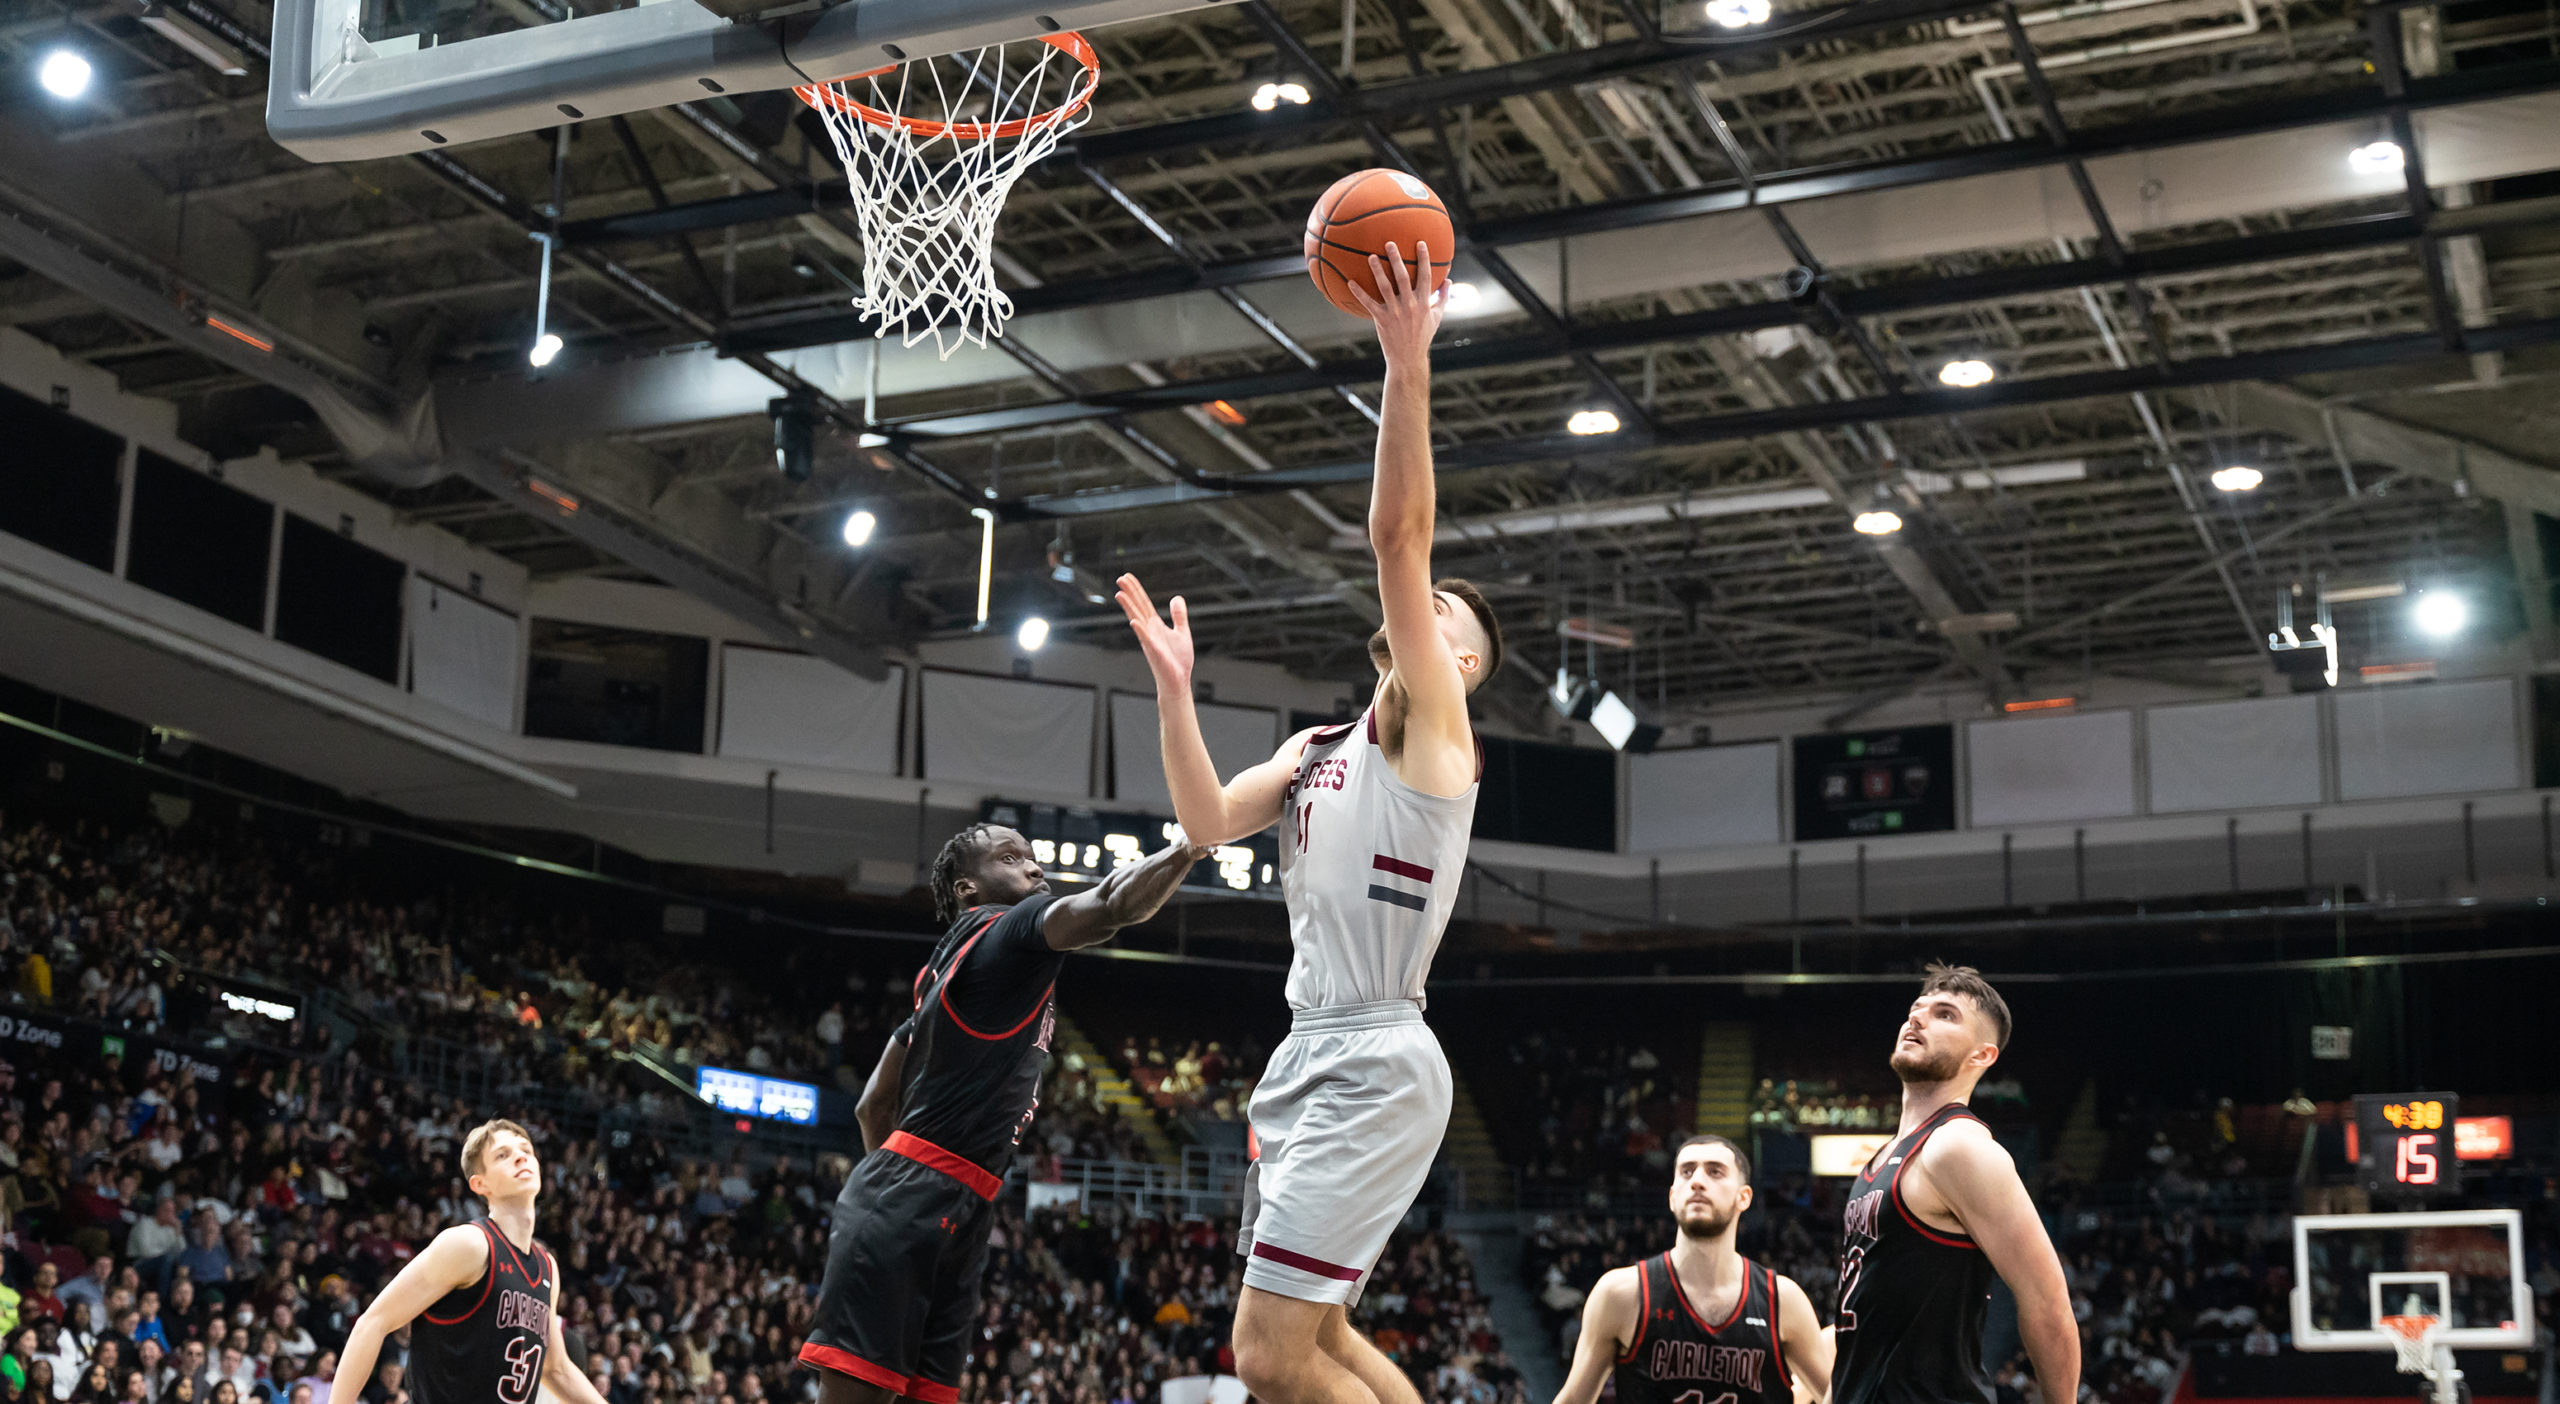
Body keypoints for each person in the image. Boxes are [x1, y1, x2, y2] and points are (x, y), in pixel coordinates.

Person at [1114, 239, 1504, 1404]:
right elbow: (1198, 822)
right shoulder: (1313, 749)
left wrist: (1405, 363)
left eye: (1444, 617)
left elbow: (1397, 540)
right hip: (1307, 1050)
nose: (1420, 611)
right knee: (1319, 1342)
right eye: (1421, 609)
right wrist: (1175, 698)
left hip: (1379, 1054)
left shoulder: (1437, 731)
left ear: (1463, 667)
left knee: (1265, 1358)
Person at [796, 822, 1208, 1404]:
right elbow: (1113, 905)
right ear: (970, 888)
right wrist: (1191, 845)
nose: (1034, 868)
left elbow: (872, 1106)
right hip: (927, 1193)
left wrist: (904, 1198)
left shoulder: (942, 970)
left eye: (1034, 858)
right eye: (1012, 858)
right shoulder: (1008, 929)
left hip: (947, 1201)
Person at [1833, 965, 2077, 1404]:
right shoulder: (1883, 1156)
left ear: (1982, 1056)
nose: (1917, 1018)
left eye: (1945, 1014)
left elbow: (2049, 1303)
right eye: (1915, 1009)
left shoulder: (1957, 1147)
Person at [328, 1122, 604, 1404]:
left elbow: (555, 1369)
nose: (521, 1157)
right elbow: (372, 1323)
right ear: (479, 1183)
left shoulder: (547, 1268)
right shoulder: (470, 1244)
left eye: (526, 1150)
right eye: (502, 1155)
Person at [1549, 1136, 1830, 1404]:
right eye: (1686, 1172)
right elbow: (1574, 1398)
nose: (1697, 1181)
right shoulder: (1621, 1294)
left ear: (1743, 1197)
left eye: (1715, 1172)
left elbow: (1841, 1395)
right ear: (1672, 1197)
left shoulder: (1783, 1300)